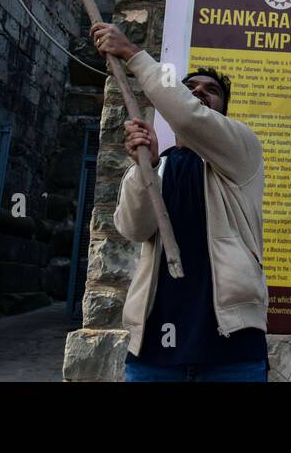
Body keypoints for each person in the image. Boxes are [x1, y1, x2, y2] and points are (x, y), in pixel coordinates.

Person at [90, 21, 269, 382]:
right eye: (191, 88)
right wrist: (147, 168)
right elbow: (133, 228)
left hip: (231, 348)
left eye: (211, 91)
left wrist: (132, 55)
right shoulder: (155, 165)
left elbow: (188, 115)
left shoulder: (241, 153)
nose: (200, 93)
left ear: (222, 110)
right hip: (156, 348)